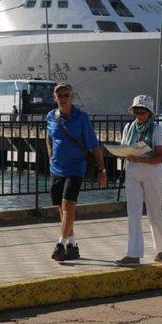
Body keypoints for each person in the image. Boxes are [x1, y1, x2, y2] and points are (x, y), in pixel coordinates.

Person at [46, 83, 107, 261]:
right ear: (55, 97)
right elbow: (48, 137)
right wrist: (50, 156)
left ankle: (60, 244)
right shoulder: (51, 116)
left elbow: (94, 146)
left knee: (69, 206)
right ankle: (72, 246)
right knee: (61, 207)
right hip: (56, 167)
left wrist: (102, 169)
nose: (63, 98)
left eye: (66, 95)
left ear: (72, 97)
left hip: (76, 167)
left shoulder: (82, 118)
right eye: (60, 95)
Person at [115, 95, 162, 266]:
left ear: (149, 113)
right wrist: (124, 153)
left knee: (154, 213)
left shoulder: (156, 130)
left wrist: (143, 159)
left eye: (142, 111)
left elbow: (160, 156)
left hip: (151, 172)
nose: (138, 114)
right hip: (132, 171)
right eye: (136, 111)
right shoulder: (128, 127)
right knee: (133, 212)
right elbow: (125, 147)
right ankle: (134, 253)